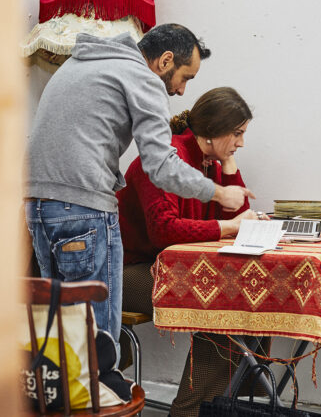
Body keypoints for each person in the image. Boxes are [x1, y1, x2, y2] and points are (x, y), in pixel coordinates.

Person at [24, 25, 253, 353]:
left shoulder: (80, 64)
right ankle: (101, 399)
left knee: (66, 335)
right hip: (84, 208)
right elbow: (160, 166)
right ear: (165, 61)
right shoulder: (142, 78)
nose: (182, 91)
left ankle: (72, 403)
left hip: (39, 207)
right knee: (97, 342)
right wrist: (217, 193)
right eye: (185, 77)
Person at [118, 87, 270, 417]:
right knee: (218, 305)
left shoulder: (207, 160)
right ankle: (190, 412)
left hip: (168, 264)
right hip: (126, 271)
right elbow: (164, 232)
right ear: (213, 130)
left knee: (249, 296)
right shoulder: (166, 159)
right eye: (237, 134)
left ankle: (221, 406)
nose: (242, 143)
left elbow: (237, 217)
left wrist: (228, 162)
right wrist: (230, 227)